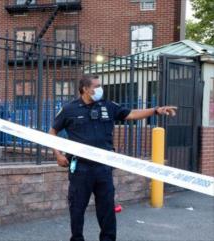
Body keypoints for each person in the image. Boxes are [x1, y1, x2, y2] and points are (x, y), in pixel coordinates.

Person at [48, 74, 177, 241]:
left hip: (103, 167)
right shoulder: (69, 109)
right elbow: (52, 132)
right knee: (77, 208)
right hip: (80, 168)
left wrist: (155, 110)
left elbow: (131, 114)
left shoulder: (107, 106)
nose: (100, 89)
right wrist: (57, 154)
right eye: (96, 86)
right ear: (85, 89)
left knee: (107, 208)